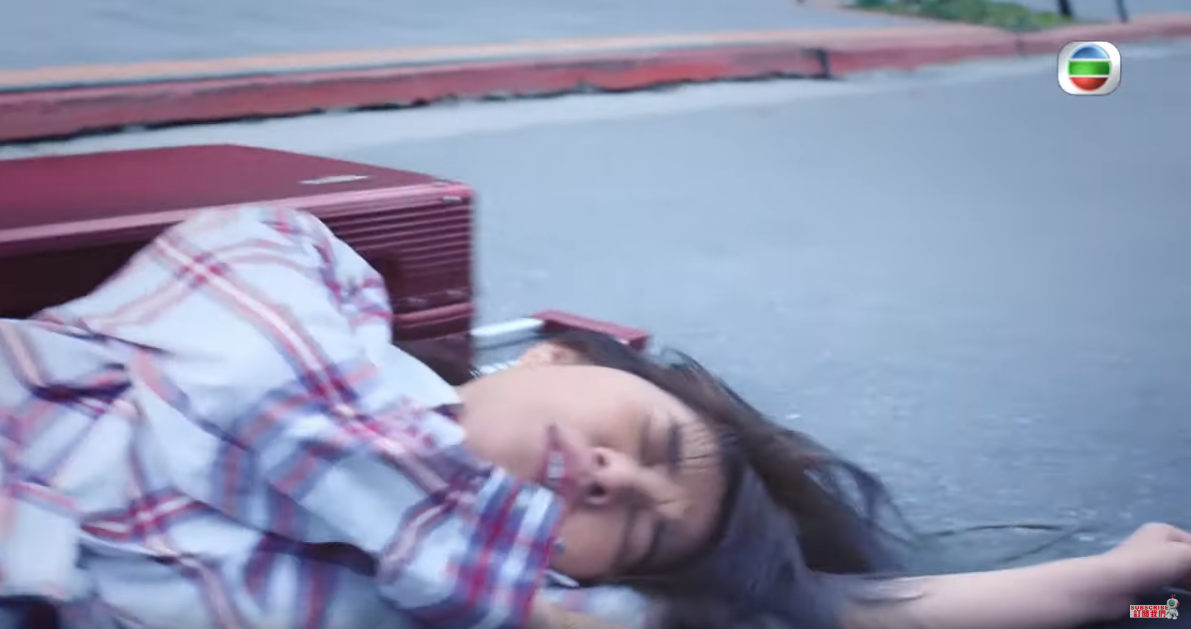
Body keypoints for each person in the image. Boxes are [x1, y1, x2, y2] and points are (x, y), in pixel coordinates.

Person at [0, 206, 1187, 629]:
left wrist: (1114, 576)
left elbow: (837, 613)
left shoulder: (526, 594)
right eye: (653, 444)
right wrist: (516, 591)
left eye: (639, 525)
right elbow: (273, 393)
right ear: (558, 354)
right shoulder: (298, 269)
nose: (621, 480)